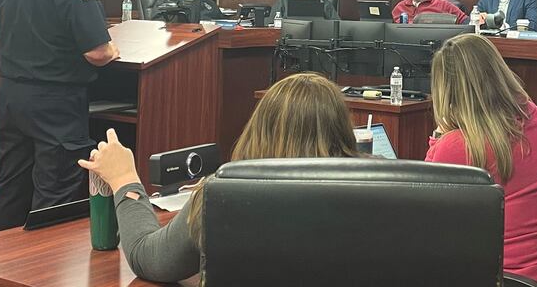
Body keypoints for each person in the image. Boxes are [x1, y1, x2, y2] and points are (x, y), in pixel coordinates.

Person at [78, 73, 359, 283]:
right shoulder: (386, 188)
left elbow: (149, 259)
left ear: (259, 128)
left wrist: (125, 178)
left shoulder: (222, 193)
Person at [0, 0, 119, 232]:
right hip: (55, 103)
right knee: (55, 192)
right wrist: (113, 49)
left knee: (10, 189)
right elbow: (97, 52)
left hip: (10, 97)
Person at [424, 34, 537, 281]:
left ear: (449, 92)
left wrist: (438, 135)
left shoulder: (458, 144)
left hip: (495, 275)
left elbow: (422, 210)